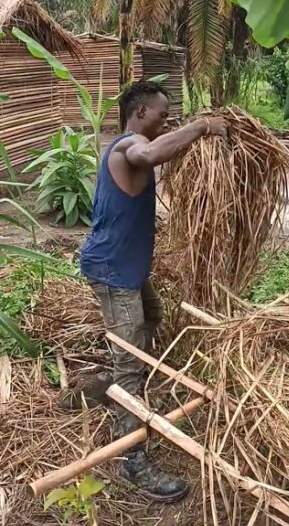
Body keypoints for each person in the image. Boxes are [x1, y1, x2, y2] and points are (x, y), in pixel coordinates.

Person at [78, 80, 228, 502]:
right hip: (113, 270)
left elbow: (158, 156)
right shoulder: (130, 146)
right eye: (162, 116)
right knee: (132, 362)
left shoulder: (131, 148)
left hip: (128, 268)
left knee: (152, 319)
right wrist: (200, 127)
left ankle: (109, 385)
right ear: (140, 112)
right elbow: (152, 152)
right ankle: (134, 460)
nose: (166, 123)